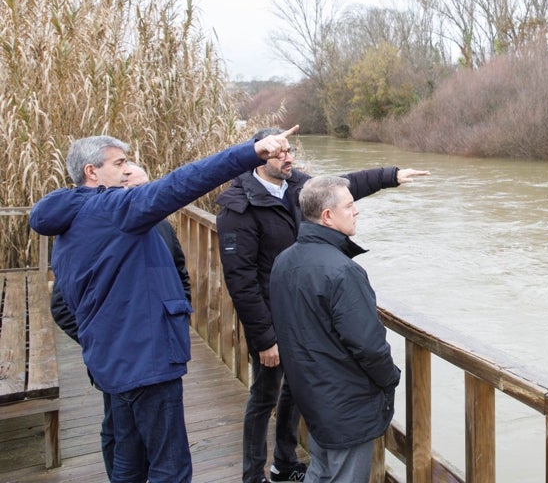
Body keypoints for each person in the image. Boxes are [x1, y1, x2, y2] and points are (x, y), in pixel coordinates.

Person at [30, 128, 297, 482]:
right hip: (146, 360)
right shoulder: (113, 209)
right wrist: (252, 152)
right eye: (119, 163)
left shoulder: (71, 220)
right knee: (169, 466)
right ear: (91, 172)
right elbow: (183, 182)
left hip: (113, 359)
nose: (127, 172)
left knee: (128, 457)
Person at [215, 127, 427, 483]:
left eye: (290, 152)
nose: (289, 158)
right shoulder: (238, 205)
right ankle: (252, 474)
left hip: (306, 318)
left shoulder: (299, 188)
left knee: (301, 397)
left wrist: (390, 176)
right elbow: (241, 281)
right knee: (264, 397)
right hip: (278, 321)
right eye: (280, 153)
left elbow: (341, 186)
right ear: (259, 156)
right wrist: (265, 337)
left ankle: (283, 461)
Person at [48, 162, 190, 480]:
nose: (144, 197)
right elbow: (62, 306)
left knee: (150, 446)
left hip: (157, 352)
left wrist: (177, 321)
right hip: (117, 358)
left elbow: (180, 275)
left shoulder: (162, 227)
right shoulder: (100, 230)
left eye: (147, 189)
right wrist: (105, 339)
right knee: (122, 439)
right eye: (134, 189)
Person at [269, 176, 400, 482]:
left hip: (313, 394)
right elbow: (368, 345)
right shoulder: (343, 271)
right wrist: (390, 378)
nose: (357, 211)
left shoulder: (283, 261)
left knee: (321, 469)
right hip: (346, 404)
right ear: (328, 216)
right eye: (350, 205)